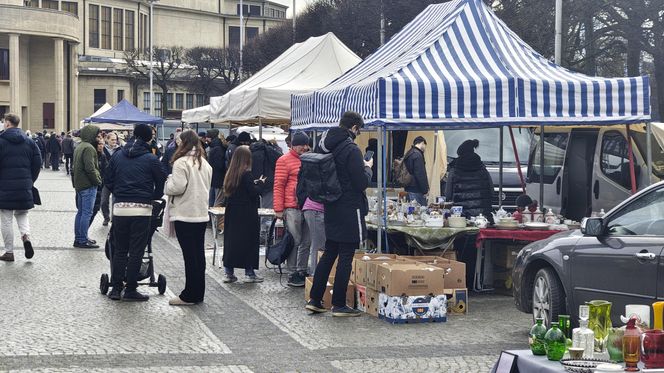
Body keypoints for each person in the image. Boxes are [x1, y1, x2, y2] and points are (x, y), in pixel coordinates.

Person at [307, 111, 372, 317]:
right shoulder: (351, 149)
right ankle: (338, 304)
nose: (358, 133)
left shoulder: (326, 144)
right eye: (359, 130)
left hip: (331, 205)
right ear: (353, 127)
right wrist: (368, 169)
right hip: (349, 207)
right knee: (346, 256)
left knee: (329, 253)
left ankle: (315, 299)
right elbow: (360, 182)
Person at [105, 124, 166, 301]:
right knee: (137, 250)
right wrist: (152, 196)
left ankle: (116, 288)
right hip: (142, 209)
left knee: (120, 250)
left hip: (121, 209)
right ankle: (131, 289)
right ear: (148, 138)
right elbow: (161, 180)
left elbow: (108, 179)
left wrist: (120, 193)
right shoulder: (151, 158)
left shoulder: (117, 155)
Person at [164, 130, 212, 305]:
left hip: (185, 214)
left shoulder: (181, 163)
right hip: (201, 213)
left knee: (190, 256)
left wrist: (168, 183)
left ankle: (189, 295)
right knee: (198, 256)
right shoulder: (204, 163)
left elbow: (177, 187)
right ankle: (199, 292)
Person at [0, 114, 41, 262]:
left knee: (6, 219)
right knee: (22, 214)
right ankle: (26, 237)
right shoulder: (29, 142)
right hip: (24, 186)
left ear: (7, 123)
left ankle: (9, 252)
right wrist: (30, 180)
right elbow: (38, 162)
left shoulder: (1, 142)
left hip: (4, 187)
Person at [221, 145, 266, 284]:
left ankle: (229, 273)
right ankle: (249, 273)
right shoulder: (246, 174)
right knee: (249, 242)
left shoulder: (230, 173)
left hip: (232, 211)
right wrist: (261, 184)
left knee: (231, 241)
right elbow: (253, 192)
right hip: (246, 212)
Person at [273, 132, 311, 287]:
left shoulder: (309, 159)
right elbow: (279, 185)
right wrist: (278, 209)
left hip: (308, 206)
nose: (305, 147)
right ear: (294, 145)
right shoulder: (284, 160)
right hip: (292, 207)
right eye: (302, 144)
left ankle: (302, 270)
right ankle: (292, 272)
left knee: (307, 241)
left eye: (306, 144)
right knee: (294, 241)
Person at [444, 139, 494, 222]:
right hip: (482, 218)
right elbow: (492, 192)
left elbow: (448, 194)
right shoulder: (483, 169)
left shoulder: (454, 170)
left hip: (461, 217)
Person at [72, 125, 102, 248]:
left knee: (80, 213)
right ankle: (83, 240)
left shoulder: (80, 146)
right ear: (91, 135)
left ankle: (79, 238)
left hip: (80, 185)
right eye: (97, 135)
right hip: (88, 185)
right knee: (86, 213)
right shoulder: (89, 148)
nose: (98, 138)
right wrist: (97, 181)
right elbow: (90, 168)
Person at [100, 132, 120, 226]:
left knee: (115, 201)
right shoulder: (102, 150)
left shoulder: (120, 150)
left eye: (115, 140)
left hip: (117, 180)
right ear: (107, 140)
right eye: (112, 140)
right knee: (104, 201)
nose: (114, 142)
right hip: (105, 180)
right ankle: (106, 217)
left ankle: (114, 219)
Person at [403, 136, 429, 206]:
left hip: (409, 187)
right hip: (416, 189)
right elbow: (420, 174)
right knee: (419, 212)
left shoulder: (409, 153)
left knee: (411, 213)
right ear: (422, 143)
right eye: (425, 146)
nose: (425, 148)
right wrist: (425, 190)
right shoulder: (417, 155)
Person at [89, 138, 108, 226]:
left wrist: (102, 182)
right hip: (91, 186)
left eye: (102, 144)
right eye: (99, 144)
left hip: (99, 186)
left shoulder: (103, 156)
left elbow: (105, 171)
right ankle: (83, 234)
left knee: (95, 210)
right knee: (89, 211)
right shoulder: (91, 155)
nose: (101, 146)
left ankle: (84, 234)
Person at [207, 128, 227, 207]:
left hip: (214, 178)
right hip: (218, 179)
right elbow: (220, 165)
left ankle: (211, 218)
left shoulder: (215, 148)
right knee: (217, 200)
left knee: (213, 201)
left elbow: (217, 165)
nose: (206, 139)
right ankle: (214, 219)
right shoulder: (219, 147)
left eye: (207, 137)